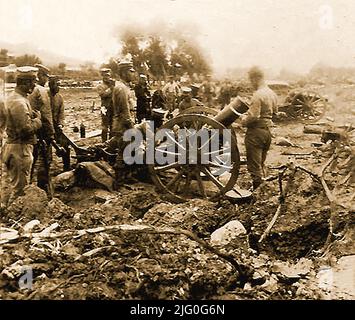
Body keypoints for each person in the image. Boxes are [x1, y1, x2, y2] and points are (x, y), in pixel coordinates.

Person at [2, 66, 42, 204]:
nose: (34, 85)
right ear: (24, 82)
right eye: (32, 82)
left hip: (13, 147)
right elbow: (25, 129)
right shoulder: (19, 102)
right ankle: (15, 220)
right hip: (20, 149)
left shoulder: (14, 98)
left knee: (11, 186)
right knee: (20, 190)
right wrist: (38, 121)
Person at [239, 66, 278, 190]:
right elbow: (275, 113)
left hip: (255, 133)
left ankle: (258, 193)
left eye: (251, 80)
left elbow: (253, 117)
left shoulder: (258, 95)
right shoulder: (272, 94)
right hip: (267, 132)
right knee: (261, 163)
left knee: (254, 166)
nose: (251, 84)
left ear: (255, 78)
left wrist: (243, 120)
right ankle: (263, 189)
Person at [29, 63, 55, 194]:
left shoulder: (29, 90)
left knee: (31, 160)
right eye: (45, 76)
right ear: (40, 76)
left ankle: (27, 186)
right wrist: (51, 133)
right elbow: (46, 114)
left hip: (30, 130)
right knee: (45, 160)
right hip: (41, 131)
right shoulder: (41, 90)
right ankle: (43, 187)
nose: (47, 80)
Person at [111, 60, 136, 186]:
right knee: (122, 151)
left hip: (127, 123)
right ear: (123, 73)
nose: (132, 74)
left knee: (129, 149)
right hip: (122, 125)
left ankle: (127, 175)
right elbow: (124, 111)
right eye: (130, 72)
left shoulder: (126, 87)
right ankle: (119, 179)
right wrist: (131, 126)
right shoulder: (120, 88)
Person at [48, 75, 71, 171]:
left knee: (66, 145)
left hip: (56, 126)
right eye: (57, 85)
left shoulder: (59, 98)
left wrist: (60, 124)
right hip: (46, 127)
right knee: (46, 151)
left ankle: (67, 167)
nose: (59, 87)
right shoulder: (45, 96)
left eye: (60, 85)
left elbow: (61, 113)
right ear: (51, 85)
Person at [96, 68, 114, 142]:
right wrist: (111, 88)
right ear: (102, 76)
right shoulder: (100, 86)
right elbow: (103, 94)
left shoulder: (113, 84)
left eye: (108, 76)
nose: (107, 77)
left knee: (113, 125)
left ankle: (111, 141)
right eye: (105, 76)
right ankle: (104, 141)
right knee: (105, 126)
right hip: (105, 108)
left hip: (113, 107)